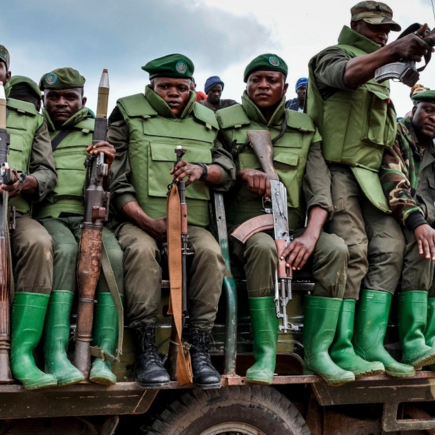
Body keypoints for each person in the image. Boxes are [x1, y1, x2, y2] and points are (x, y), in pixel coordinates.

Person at [307, 1, 430, 378]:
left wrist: (416, 48)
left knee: (392, 246)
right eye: (377, 28)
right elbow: (345, 75)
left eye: (389, 31)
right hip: (335, 170)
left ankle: (369, 343)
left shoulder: (380, 70)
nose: (383, 34)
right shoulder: (332, 56)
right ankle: (337, 348)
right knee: (354, 250)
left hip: (372, 176)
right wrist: (393, 49)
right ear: (355, 24)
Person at [216, 54, 354, 385]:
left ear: (285, 86)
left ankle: (317, 353)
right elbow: (213, 167)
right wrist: (241, 173)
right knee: (263, 248)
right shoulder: (223, 121)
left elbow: (321, 190)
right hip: (243, 231)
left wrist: (309, 236)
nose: (263, 85)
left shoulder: (305, 129)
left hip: (291, 228)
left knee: (335, 248)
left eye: (272, 80)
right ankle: (266, 354)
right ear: (246, 85)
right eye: (256, 79)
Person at [108, 54, 235, 389]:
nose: (173, 93)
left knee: (210, 254)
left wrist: (202, 171)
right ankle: (146, 349)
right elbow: (115, 180)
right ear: (151, 87)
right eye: (165, 86)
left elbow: (228, 169)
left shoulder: (209, 121)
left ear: (193, 88)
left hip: (191, 223)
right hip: (139, 220)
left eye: (181, 87)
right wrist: (146, 221)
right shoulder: (128, 113)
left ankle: (198, 348)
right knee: (139, 252)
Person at [34, 68, 124, 387]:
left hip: (92, 215)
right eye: (53, 97)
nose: (61, 103)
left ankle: (102, 358)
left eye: (69, 97)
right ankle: (56, 353)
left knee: (112, 255)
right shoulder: (37, 127)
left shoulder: (100, 132)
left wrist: (109, 166)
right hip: (50, 215)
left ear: (83, 100)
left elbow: (120, 184)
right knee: (66, 250)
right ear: (43, 100)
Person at [380, 90, 435, 374]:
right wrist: (420, 224)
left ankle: (432, 347)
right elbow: (394, 183)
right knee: (427, 248)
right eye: (428, 110)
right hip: (391, 218)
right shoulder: (395, 134)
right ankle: (413, 343)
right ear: (414, 108)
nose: (434, 118)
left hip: (418, 223)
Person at [0, 45, 59, 391]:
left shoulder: (31, 117)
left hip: (14, 213)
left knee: (39, 243)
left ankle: (21, 353)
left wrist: (24, 182)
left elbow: (46, 173)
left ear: (7, 75)